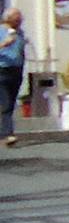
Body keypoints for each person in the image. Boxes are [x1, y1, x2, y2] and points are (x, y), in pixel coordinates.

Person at [0, 8, 24, 150]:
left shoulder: (19, 33)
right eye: (17, 18)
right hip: (2, 69)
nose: (19, 21)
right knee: (6, 102)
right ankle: (7, 134)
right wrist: (4, 44)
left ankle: (6, 133)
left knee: (11, 102)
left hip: (16, 70)